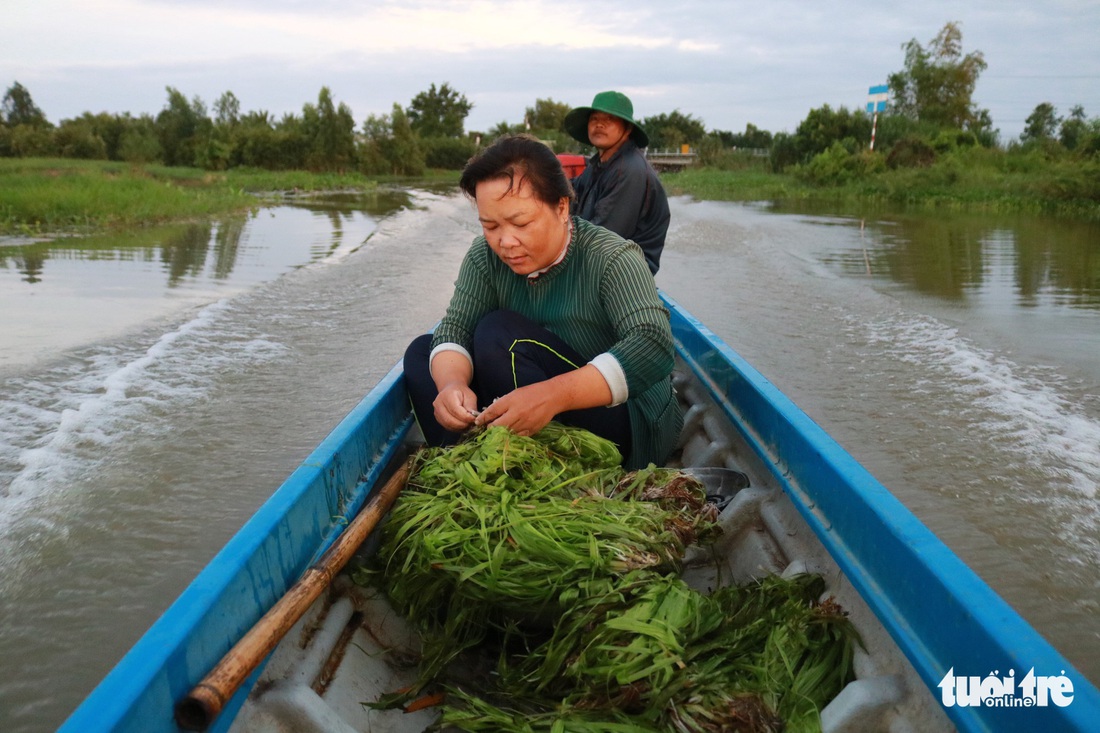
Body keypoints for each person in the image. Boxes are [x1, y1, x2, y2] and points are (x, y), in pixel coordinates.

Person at [403, 134, 682, 469]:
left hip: (622, 420)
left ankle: (526, 466)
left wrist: (551, 395)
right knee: (423, 353)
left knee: (499, 334)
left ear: (561, 207)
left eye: (520, 223)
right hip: (528, 383)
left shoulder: (611, 257)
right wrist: (453, 385)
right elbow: (454, 328)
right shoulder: (484, 257)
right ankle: (470, 465)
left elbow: (654, 345)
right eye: (490, 226)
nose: (505, 242)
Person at [564, 90, 670, 275]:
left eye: (610, 119)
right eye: (594, 118)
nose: (599, 124)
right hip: (599, 263)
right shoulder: (599, 163)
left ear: (627, 129)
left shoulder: (629, 171)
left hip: (624, 275)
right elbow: (571, 192)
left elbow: (603, 237)